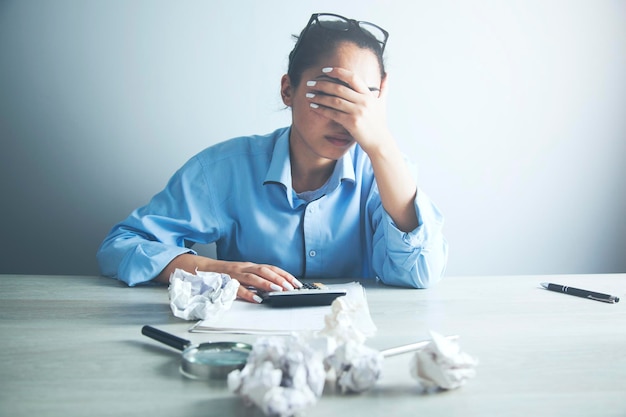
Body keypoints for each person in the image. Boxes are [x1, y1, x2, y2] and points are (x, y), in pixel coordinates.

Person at [97, 12, 448, 303]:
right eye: (328, 96)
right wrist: (218, 270)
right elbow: (120, 247)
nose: (346, 117)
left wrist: (383, 145)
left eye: (362, 100)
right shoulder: (223, 170)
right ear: (287, 90)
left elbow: (419, 274)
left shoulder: (386, 171)